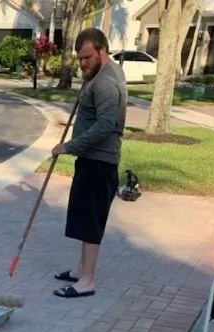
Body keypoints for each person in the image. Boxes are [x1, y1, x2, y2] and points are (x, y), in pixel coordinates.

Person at [49, 28, 127, 299]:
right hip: (93, 161)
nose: (83, 63)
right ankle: (81, 269)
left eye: (87, 58)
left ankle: (87, 281)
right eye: (80, 59)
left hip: (98, 162)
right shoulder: (104, 73)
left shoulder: (105, 83)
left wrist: (70, 146)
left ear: (102, 51)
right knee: (84, 218)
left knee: (90, 222)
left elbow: (107, 124)